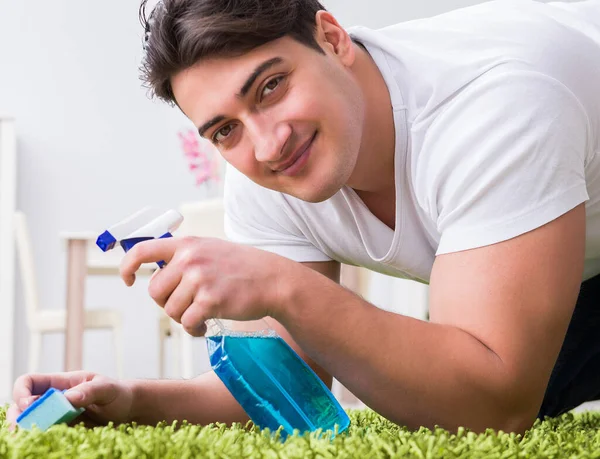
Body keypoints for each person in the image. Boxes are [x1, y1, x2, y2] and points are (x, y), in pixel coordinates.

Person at [8, 0, 600, 434]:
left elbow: (495, 409)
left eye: (270, 87)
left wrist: (283, 286)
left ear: (333, 37)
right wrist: (130, 399)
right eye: (225, 129)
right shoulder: (263, 171)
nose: (266, 146)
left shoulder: (494, 105)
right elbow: (290, 380)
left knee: (481, 383)